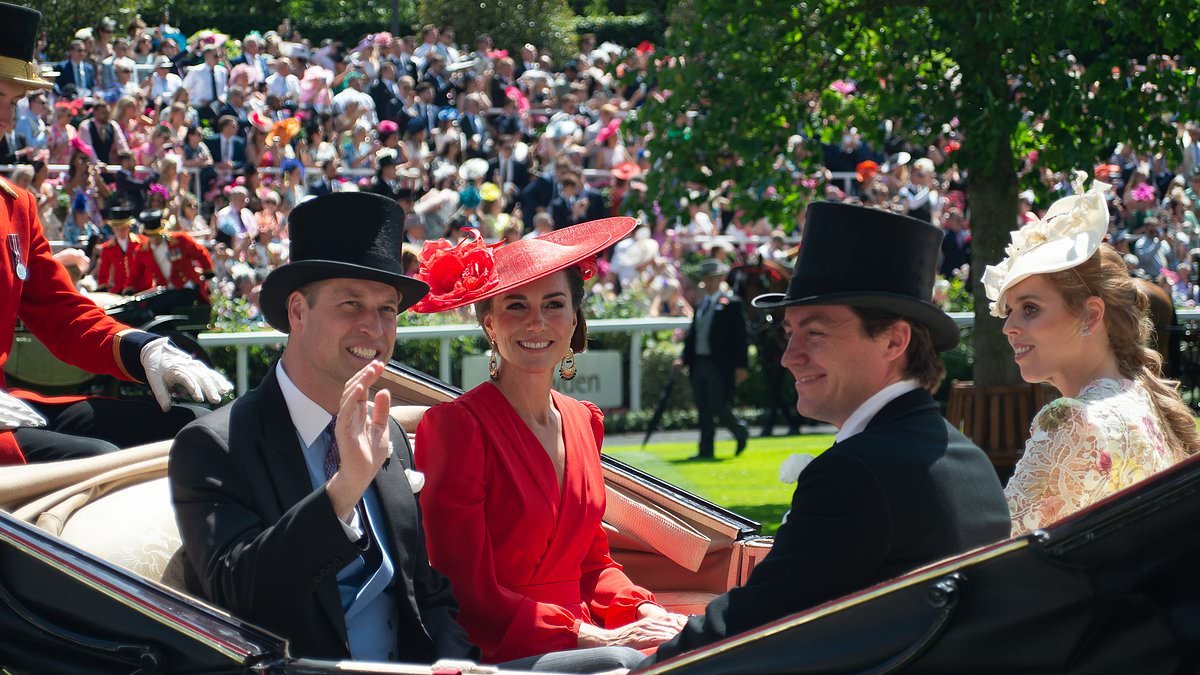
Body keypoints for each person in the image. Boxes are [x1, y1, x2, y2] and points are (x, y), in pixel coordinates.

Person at [170, 193, 637, 673]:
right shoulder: (215, 445)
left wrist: (465, 666)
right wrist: (342, 492)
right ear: (297, 311)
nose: (372, 328)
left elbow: (428, 592)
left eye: (388, 310)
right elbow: (241, 595)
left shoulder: (386, 433)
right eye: (351, 304)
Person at [646, 202, 1010, 663]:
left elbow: (748, 629)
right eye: (790, 333)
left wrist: (642, 663)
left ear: (895, 341)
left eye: (814, 333)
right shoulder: (965, 457)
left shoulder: (859, 471)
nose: (788, 356)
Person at [410, 218, 687, 665]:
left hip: (578, 642)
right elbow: (464, 590)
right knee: (630, 663)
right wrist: (592, 638)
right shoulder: (456, 428)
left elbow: (593, 564)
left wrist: (646, 610)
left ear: (574, 318)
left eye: (553, 305)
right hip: (496, 647)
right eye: (516, 306)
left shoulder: (584, 420)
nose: (536, 322)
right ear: (489, 324)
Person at [0, 3, 231, 465]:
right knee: (98, 459)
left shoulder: (16, 205)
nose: (9, 120)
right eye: (2, 101)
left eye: (14, 103)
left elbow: (63, 314)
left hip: (9, 408)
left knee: (189, 431)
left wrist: (142, 349)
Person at [982, 175, 1199, 537]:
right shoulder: (1138, 394)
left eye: (1030, 308)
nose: (1009, 327)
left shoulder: (1074, 419)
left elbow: (995, 557)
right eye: (1009, 311)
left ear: (1091, 315)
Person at [678, 258, 750, 459]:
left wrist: (741, 366)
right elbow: (693, 335)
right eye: (707, 279)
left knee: (717, 403)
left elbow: (740, 338)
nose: (710, 283)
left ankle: (738, 430)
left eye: (714, 279)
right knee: (702, 406)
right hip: (699, 362)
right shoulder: (701, 304)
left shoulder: (731, 304)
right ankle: (706, 450)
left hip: (718, 363)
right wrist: (683, 358)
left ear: (720, 280)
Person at [127, 209, 214, 302]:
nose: (154, 239)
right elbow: (135, 273)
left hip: (187, 286)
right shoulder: (142, 251)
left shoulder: (180, 240)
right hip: (165, 290)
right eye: (151, 236)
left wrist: (207, 270)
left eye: (157, 235)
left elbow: (200, 252)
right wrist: (128, 289)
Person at [91, 204, 142, 292]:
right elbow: (103, 274)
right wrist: (103, 289)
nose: (120, 232)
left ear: (129, 227)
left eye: (123, 229)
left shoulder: (141, 243)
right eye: (117, 229)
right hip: (119, 291)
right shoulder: (107, 248)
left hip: (141, 289)